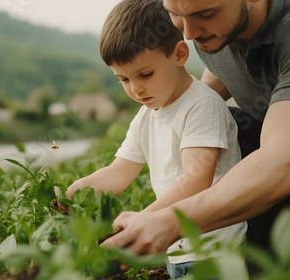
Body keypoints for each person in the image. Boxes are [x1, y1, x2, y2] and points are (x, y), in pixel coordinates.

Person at [62, 0, 247, 278]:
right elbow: (119, 171)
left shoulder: (201, 105)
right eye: (123, 79)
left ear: (179, 54)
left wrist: (145, 219)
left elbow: (195, 179)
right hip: (177, 247)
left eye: (145, 74)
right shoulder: (145, 116)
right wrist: (79, 189)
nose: (135, 89)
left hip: (214, 250)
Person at [101, 0, 290, 262]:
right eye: (175, 14)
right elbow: (221, 74)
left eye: (206, 13)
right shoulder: (209, 33)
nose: (188, 33)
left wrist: (168, 221)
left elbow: (282, 161)